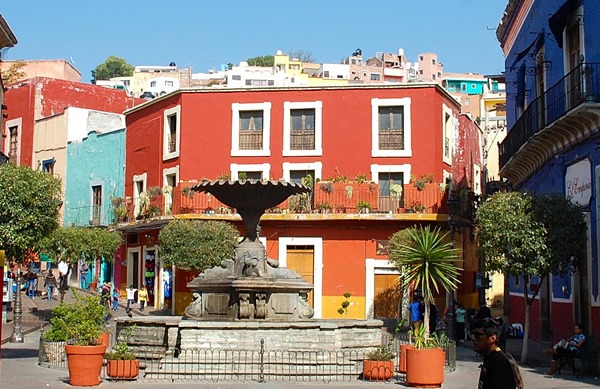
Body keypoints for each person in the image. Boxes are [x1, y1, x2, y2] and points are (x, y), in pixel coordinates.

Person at [470, 317, 522, 389]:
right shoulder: (489, 358)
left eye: (477, 335)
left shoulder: (499, 361)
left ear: (492, 338)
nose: (473, 338)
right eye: (472, 334)